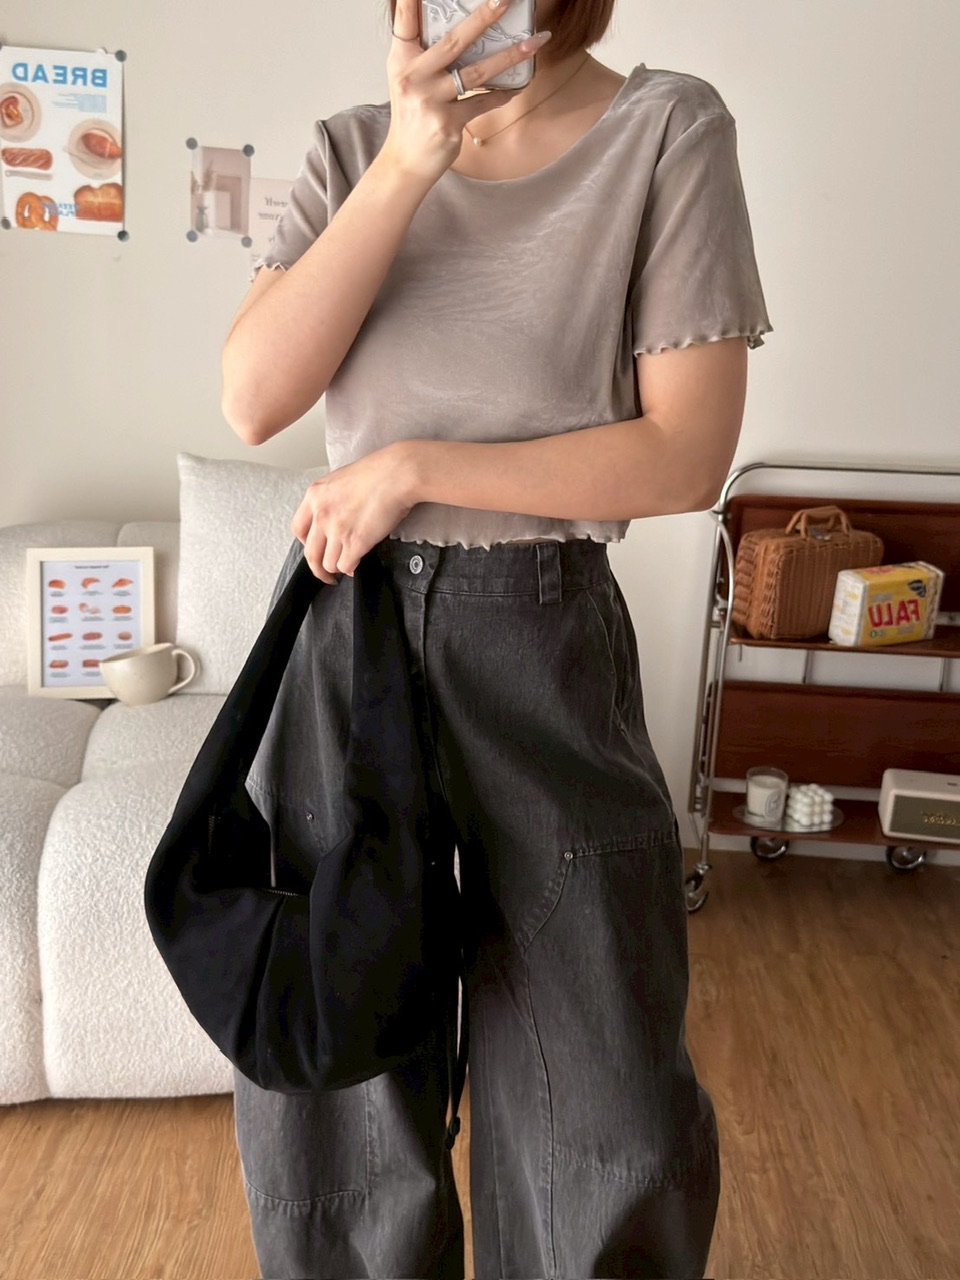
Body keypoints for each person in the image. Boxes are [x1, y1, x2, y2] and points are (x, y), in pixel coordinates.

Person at [220, 0, 773, 1275]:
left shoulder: (666, 129)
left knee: (606, 1081)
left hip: (544, 632)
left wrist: (414, 464)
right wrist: (409, 159)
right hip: (348, 633)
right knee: (343, 1072)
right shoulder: (351, 148)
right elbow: (252, 396)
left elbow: (686, 454)